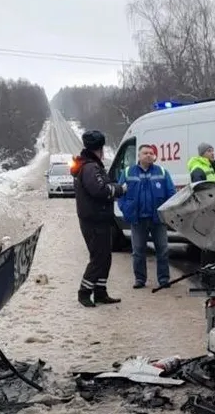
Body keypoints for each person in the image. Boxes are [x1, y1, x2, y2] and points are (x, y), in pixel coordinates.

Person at [71, 130, 127, 308]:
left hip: (99, 219)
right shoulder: (90, 167)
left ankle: (100, 292)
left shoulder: (91, 165)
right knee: (98, 258)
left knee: (105, 258)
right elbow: (100, 190)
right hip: (94, 220)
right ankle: (84, 292)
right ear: (99, 149)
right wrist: (119, 189)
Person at [117, 144, 176, 289]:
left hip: (157, 219)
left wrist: (166, 213)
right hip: (137, 220)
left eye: (151, 153)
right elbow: (120, 195)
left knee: (162, 250)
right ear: (139, 156)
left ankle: (163, 279)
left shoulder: (162, 172)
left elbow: (171, 194)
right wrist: (126, 210)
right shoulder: (128, 173)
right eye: (145, 153)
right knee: (138, 251)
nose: (149, 155)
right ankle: (140, 279)